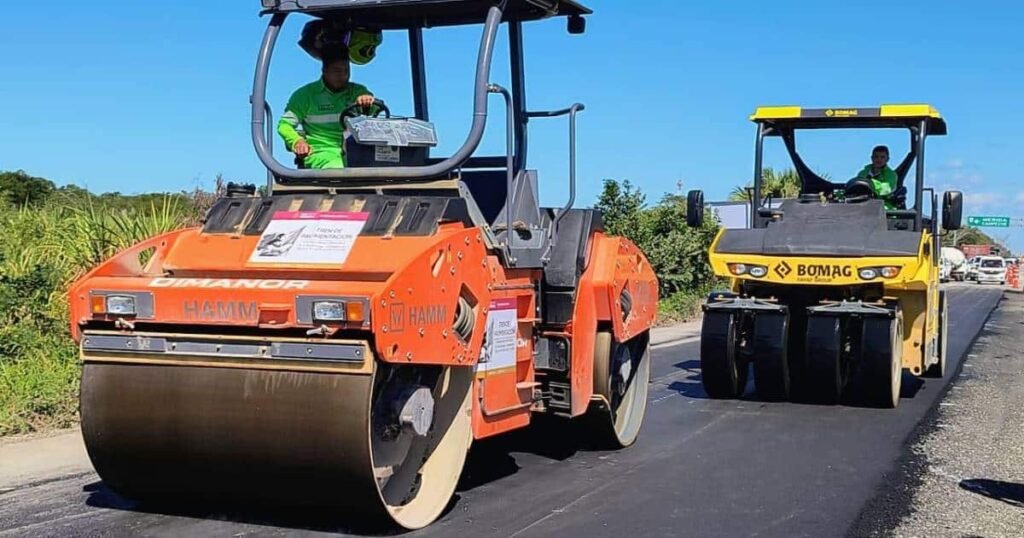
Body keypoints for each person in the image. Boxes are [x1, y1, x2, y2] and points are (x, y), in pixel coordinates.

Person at [278, 47, 375, 169]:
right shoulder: (305, 95)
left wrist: (368, 100)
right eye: (337, 71)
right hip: (322, 152)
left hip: (357, 150)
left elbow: (375, 112)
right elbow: (284, 125)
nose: (343, 75)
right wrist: (297, 141)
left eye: (346, 70)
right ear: (324, 70)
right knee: (338, 169)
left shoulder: (357, 91)